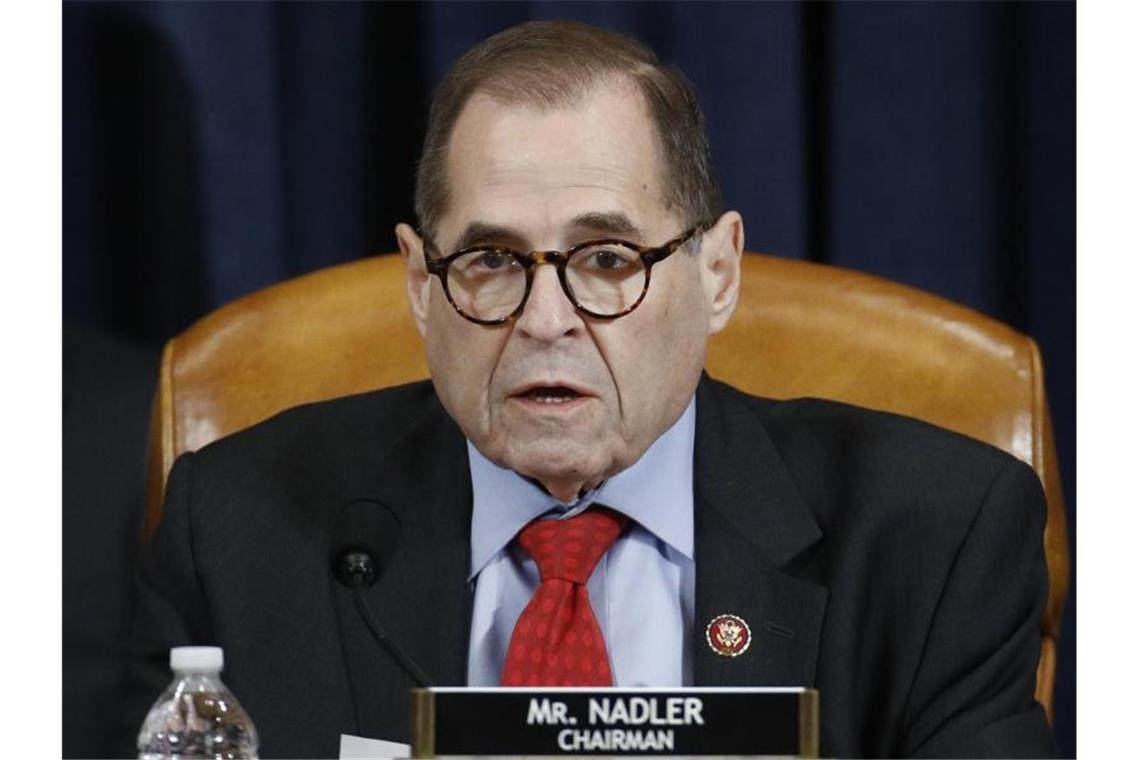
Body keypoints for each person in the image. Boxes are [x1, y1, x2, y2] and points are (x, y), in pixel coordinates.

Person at [124, 20, 1056, 758]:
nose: (545, 319)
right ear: (420, 283)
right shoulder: (239, 529)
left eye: (607, 259)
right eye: (491, 260)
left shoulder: (931, 537)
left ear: (719, 273)